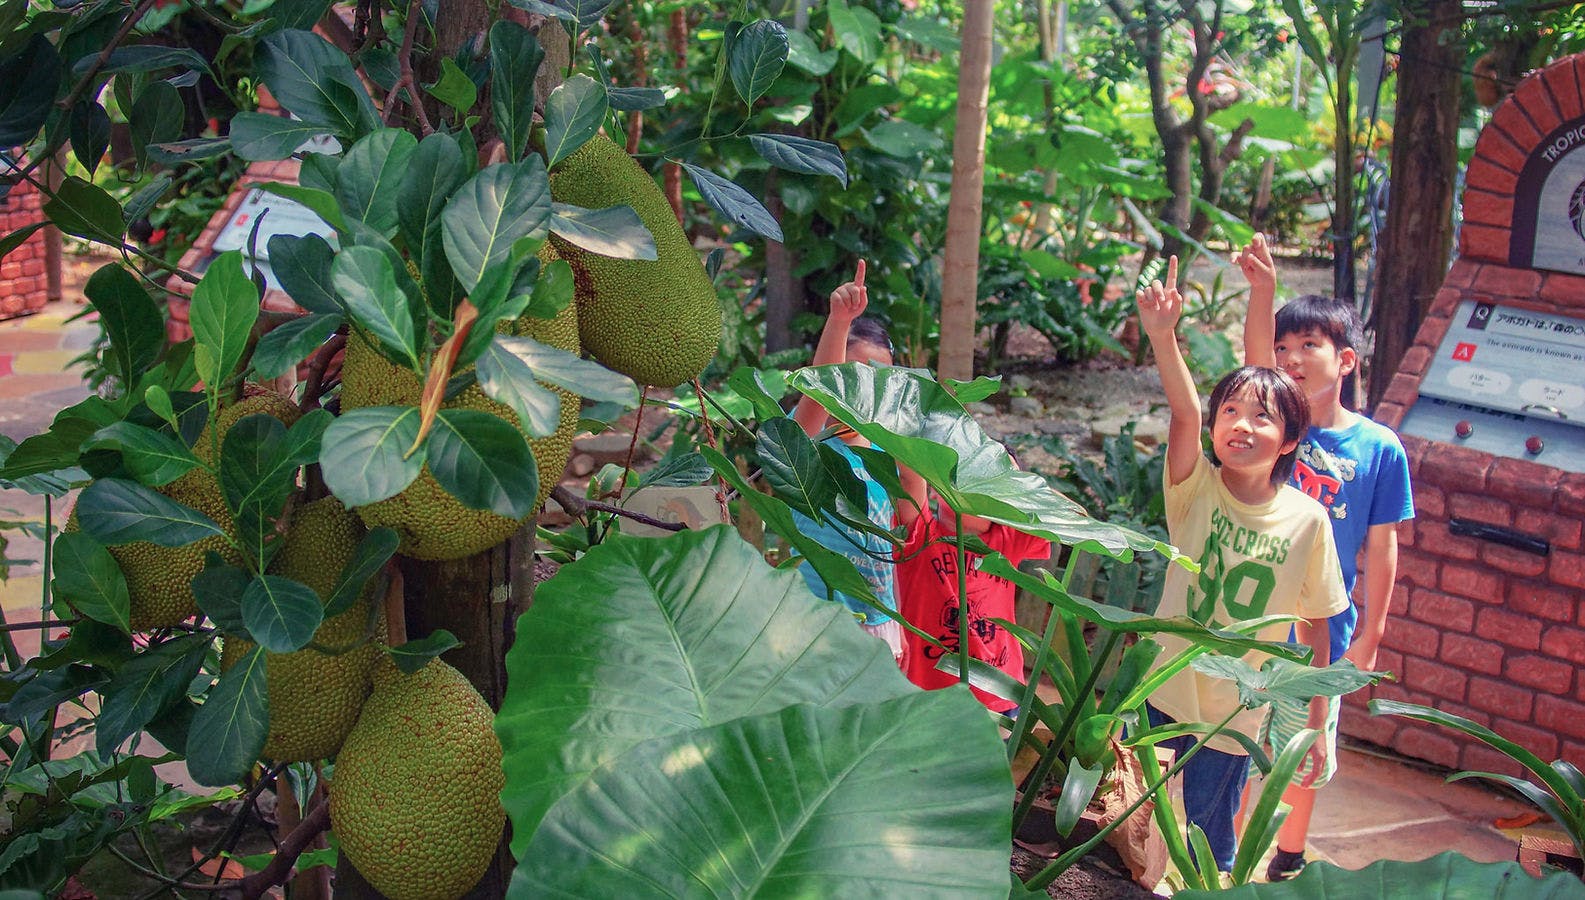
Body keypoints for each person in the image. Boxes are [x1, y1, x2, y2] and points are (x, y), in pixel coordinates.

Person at [1138, 256, 1351, 876]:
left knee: (1210, 839)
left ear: (1288, 441)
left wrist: (1313, 721)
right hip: (1161, 686)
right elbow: (1183, 413)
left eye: (1263, 416)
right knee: (1129, 812)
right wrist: (1162, 335)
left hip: (1235, 708)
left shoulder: (1309, 521)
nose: (1242, 425)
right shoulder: (1193, 487)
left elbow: (1316, 626)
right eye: (1230, 411)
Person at [1235, 233, 1415, 881]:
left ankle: (1286, 855)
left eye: (1306, 346)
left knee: (1301, 750)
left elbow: (1382, 544)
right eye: (1282, 348)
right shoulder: (1276, 426)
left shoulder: (1379, 448)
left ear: (1344, 361)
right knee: (1238, 744)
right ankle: (1230, 859)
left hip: (1323, 633)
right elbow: (1255, 358)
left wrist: (1371, 634)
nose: (1288, 359)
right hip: (1253, 616)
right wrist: (1262, 291)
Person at [790, 260, 905, 659]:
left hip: (877, 622)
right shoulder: (808, 437)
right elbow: (820, 389)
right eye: (852, 372)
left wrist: (897, 622)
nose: (864, 386)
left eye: (878, 376)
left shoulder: (888, 449)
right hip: (814, 618)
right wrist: (840, 320)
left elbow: (890, 548)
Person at [894, 460, 1050, 715]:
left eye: (992, 483)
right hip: (928, 698)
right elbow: (910, 476)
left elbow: (1072, 516)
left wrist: (1013, 476)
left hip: (1000, 697)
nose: (978, 491)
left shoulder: (1009, 541)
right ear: (935, 489)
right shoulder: (920, 536)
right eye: (966, 478)